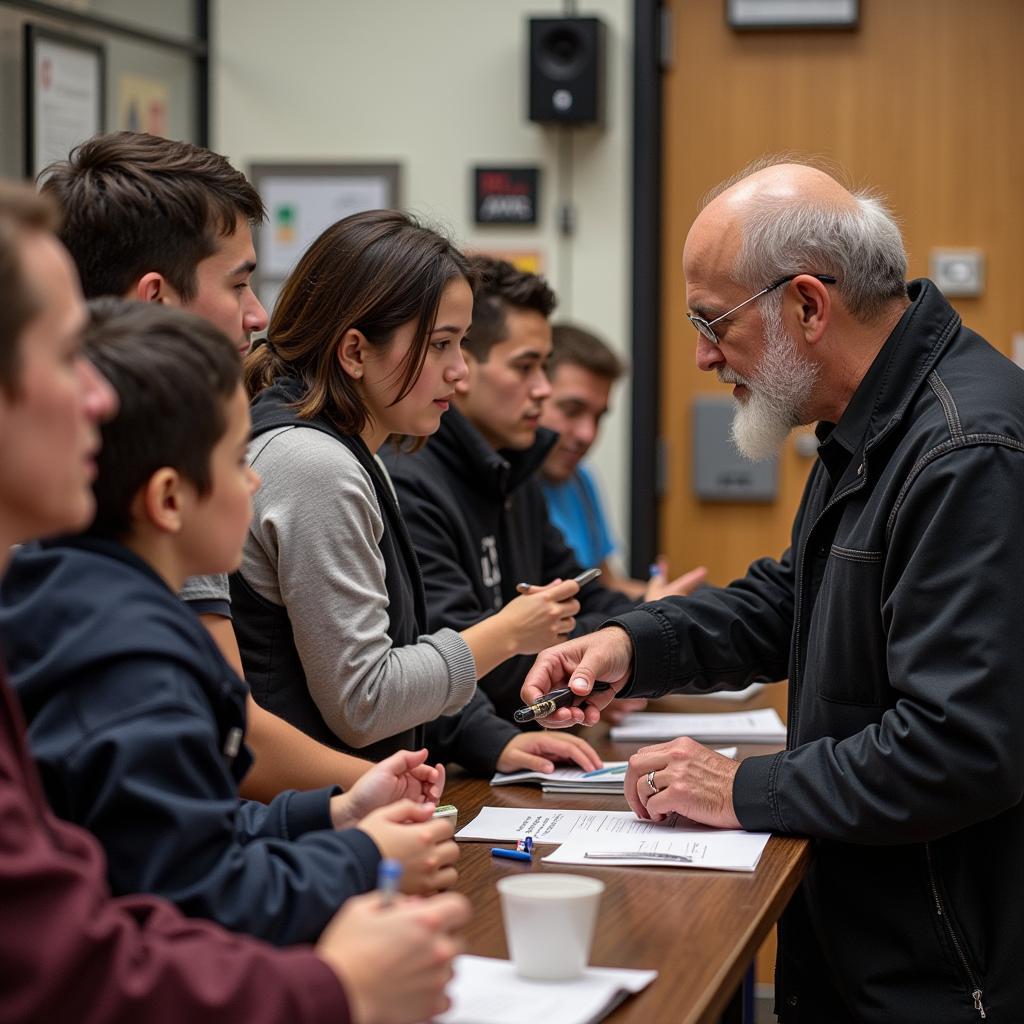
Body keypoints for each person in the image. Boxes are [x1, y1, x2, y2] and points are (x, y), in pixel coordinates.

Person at [521, 157, 1024, 1021]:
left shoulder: (961, 450)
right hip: (878, 932)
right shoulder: (875, 418)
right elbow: (793, 599)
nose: (702, 354)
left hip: (939, 973)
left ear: (806, 306)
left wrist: (741, 788)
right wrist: (634, 644)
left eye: (712, 321)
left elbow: (961, 748)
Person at [0, 179, 469, 1024]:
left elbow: (180, 832)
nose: (93, 400)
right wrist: (349, 892)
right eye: (61, 355)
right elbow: (138, 917)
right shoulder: (117, 639)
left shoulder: (98, 607)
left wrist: (329, 815)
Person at [40, 130, 391, 802]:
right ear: (155, 301)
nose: (257, 316)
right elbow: (235, 741)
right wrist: (397, 794)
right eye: (239, 285)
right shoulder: (159, 474)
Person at [233, 210, 600, 776]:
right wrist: (505, 634)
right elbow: (365, 702)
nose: (459, 372)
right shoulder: (313, 464)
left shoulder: (347, 451)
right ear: (355, 353)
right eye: (441, 345)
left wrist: (489, 738)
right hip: (305, 823)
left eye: (462, 344)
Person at [383, 257, 703, 724]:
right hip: (457, 753)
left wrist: (649, 621)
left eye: (545, 368)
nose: (541, 389)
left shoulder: (516, 473)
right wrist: (619, 643)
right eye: (526, 367)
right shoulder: (410, 480)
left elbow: (581, 592)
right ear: (464, 370)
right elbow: (479, 663)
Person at [539, 321, 706, 598]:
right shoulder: (510, 491)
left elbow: (603, 587)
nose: (587, 434)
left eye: (598, 417)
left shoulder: (581, 480)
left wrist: (673, 601)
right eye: (572, 410)